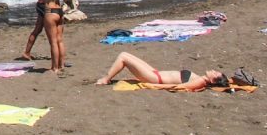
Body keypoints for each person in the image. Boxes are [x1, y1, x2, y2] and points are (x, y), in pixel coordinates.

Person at [95, 51, 228, 90]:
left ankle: (106, 79)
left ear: (212, 80)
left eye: (216, 73)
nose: (214, 70)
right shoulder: (200, 78)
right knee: (125, 55)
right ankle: (106, 78)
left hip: (155, 78)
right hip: (155, 73)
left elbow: (179, 87)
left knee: (123, 56)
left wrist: (153, 85)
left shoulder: (200, 81)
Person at [32, 0, 66, 74]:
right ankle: (61, 66)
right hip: (60, 11)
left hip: (50, 12)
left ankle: (54, 68)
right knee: (60, 41)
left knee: (53, 42)